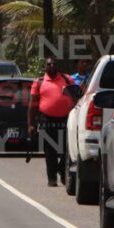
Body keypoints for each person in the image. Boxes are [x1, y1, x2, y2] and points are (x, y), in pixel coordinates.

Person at [28, 58, 79, 187]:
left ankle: (62, 170)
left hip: (66, 120)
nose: (52, 66)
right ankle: (52, 178)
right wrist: (30, 124)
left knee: (67, 148)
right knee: (50, 150)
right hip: (46, 120)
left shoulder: (67, 79)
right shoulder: (39, 82)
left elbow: (76, 97)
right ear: (45, 67)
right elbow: (33, 105)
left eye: (54, 64)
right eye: (49, 64)